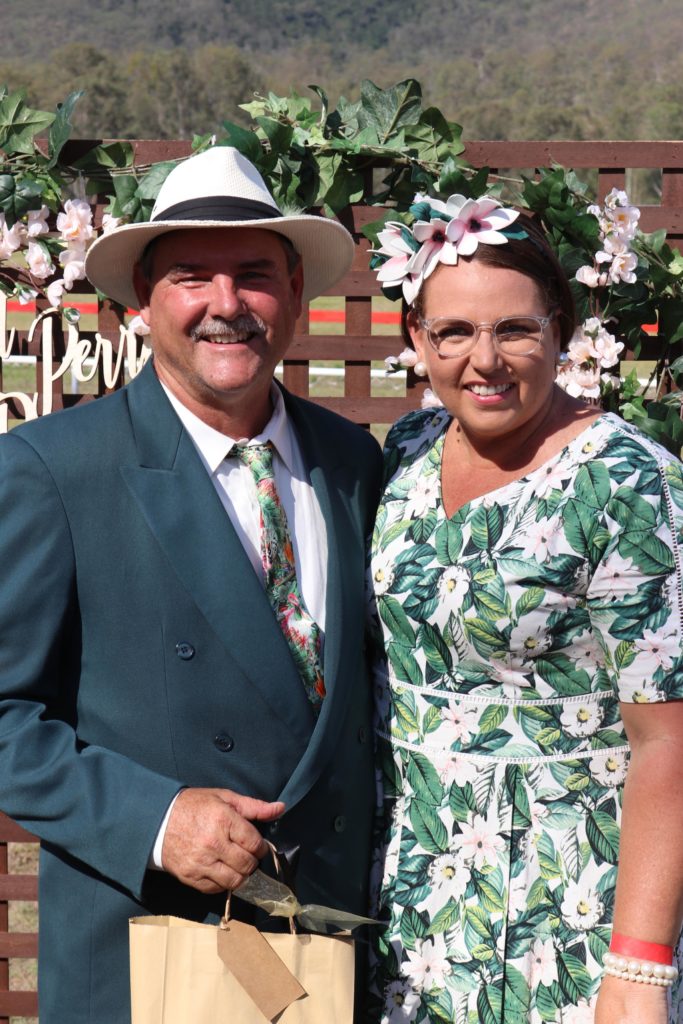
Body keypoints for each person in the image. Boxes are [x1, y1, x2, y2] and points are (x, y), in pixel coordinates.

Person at [0, 146, 382, 1024]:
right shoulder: (52, 471)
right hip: (150, 948)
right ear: (142, 300)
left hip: (329, 949)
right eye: (190, 278)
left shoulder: (351, 463)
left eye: (253, 275)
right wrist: (156, 818)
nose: (225, 305)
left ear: (292, 291)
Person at [366, 194, 683, 1023]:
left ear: (561, 330)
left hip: (563, 907)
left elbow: (668, 744)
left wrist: (637, 974)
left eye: (514, 329)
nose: (485, 360)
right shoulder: (407, 453)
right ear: (415, 340)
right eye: (454, 333)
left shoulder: (624, 483)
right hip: (411, 892)